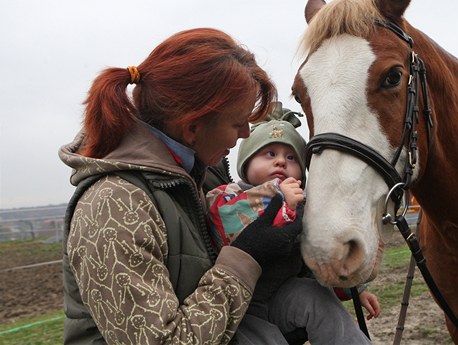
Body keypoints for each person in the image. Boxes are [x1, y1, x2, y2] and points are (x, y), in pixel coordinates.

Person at [59, 28, 304, 345]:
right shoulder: (115, 204)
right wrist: (247, 256)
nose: (245, 133)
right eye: (237, 122)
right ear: (192, 126)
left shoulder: (185, 181)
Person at [206, 103, 381, 344]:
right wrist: (276, 194)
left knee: (318, 298)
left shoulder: (304, 204)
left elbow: (315, 256)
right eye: (270, 154)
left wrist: (355, 289)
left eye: (291, 157)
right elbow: (228, 222)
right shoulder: (226, 194)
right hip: (241, 300)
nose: (281, 162)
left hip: (285, 292)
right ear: (246, 163)